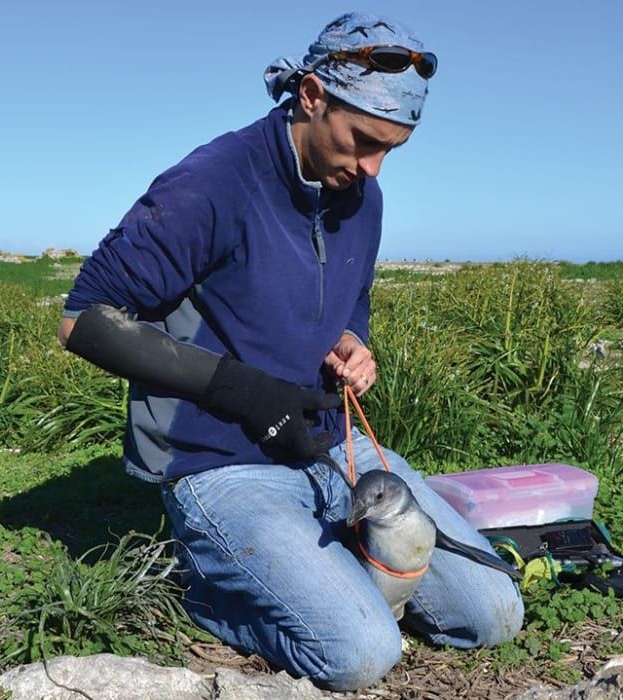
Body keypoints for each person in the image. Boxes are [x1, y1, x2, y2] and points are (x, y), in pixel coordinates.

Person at [59, 10, 523, 691]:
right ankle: (207, 590)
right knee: (361, 654)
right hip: (221, 464)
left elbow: (352, 296)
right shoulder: (213, 182)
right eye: (363, 140)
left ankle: (334, 576)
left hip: (333, 446)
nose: (371, 168)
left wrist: (351, 340)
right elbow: (83, 322)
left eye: (392, 149)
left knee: (492, 615)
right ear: (311, 95)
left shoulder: (361, 194)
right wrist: (241, 390)